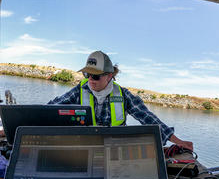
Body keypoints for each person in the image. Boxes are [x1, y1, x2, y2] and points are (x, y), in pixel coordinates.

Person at [48, 50, 193, 151]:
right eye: (87, 74)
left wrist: (178, 142)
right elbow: (48, 110)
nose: (90, 80)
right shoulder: (78, 90)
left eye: (96, 76)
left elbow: (149, 119)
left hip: (114, 149)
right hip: (84, 148)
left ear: (109, 75)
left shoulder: (124, 95)